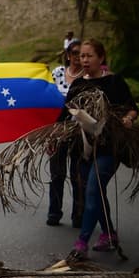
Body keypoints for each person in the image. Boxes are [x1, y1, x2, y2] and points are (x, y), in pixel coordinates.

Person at [64, 39, 139, 260]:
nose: (84, 60)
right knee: (96, 192)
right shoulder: (77, 85)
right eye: (82, 56)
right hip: (84, 148)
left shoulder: (114, 82)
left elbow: (133, 108)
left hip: (109, 147)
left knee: (92, 191)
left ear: (101, 58)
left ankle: (81, 243)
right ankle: (109, 234)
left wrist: (127, 118)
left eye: (89, 56)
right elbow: (66, 113)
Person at [47, 39, 84, 227]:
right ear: (68, 55)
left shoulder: (87, 78)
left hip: (80, 133)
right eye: (75, 53)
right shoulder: (57, 73)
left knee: (77, 175)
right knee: (56, 174)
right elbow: (47, 101)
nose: (78, 57)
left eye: (82, 53)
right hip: (57, 131)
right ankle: (54, 212)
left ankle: (78, 215)